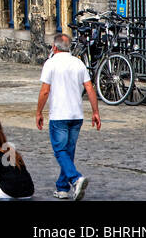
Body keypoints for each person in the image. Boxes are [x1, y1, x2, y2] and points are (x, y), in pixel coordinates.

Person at [36, 31, 101, 200]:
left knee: (60, 150)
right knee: (68, 151)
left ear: (54, 47)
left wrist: (38, 112)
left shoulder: (50, 64)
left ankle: (75, 178)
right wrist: (95, 112)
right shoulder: (78, 63)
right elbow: (89, 88)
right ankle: (62, 187)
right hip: (76, 114)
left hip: (59, 114)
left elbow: (44, 91)